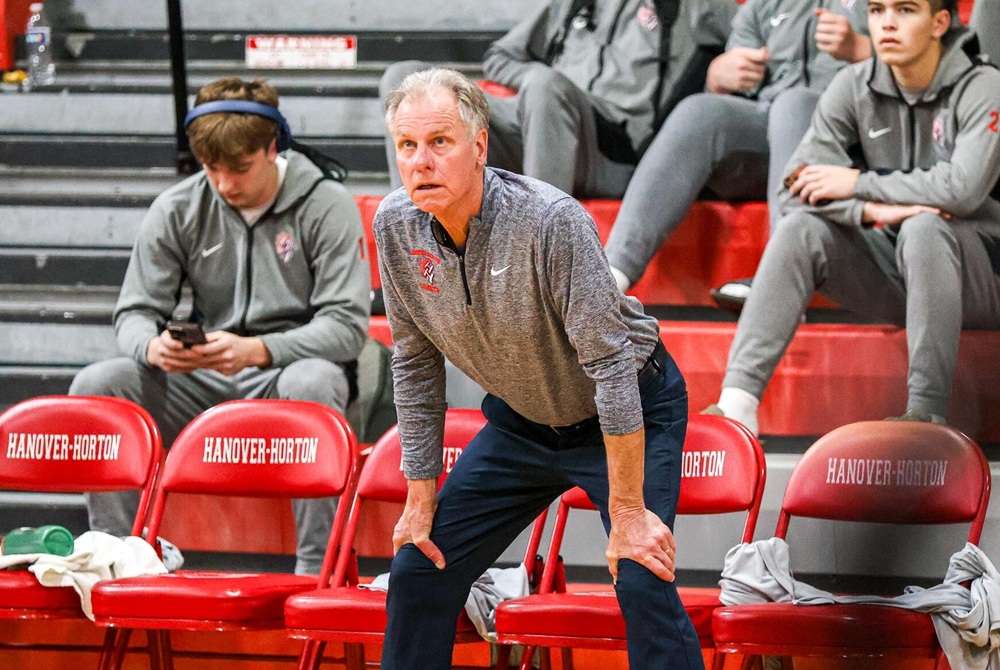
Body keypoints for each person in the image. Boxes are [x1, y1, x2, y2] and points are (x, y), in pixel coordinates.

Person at [374, 68, 702, 669]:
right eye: (407, 145)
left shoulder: (551, 220)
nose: (421, 161)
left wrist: (629, 513)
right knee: (420, 566)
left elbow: (611, 366)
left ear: (478, 148)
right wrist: (419, 498)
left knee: (640, 573)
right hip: (524, 424)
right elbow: (416, 366)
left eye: (440, 142)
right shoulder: (396, 226)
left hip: (627, 406)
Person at [69, 77, 371, 575]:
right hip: (207, 375)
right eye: (212, 169)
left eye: (240, 167)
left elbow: (345, 328)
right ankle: (120, 556)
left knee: (312, 382)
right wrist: (153, 347)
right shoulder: (179, 208)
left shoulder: (325, 203)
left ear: (273, 147)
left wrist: (258, 351)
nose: (226, 183)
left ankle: (317, 570)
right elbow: (133, 313)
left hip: (289, 372)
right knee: (98, 385)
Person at [703, 0, 1000, 437]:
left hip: (983, 276)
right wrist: (873, 209)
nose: (887, 24)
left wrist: (858, 183)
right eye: (877, 11)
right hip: (904, 269)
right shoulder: (854, 84)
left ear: (940, 22)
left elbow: (961, 189)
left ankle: (926, 414)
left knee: (924, 228)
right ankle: (736, 407)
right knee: (802, 229)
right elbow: (794, 186)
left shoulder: (983, 85)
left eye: (905, 10)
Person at [604, 0, 871, 297]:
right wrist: (719, 79)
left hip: (851, 142)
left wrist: (861, 51)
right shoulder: (763, 6)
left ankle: (782, 276)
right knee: (700, 109)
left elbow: (922, 66)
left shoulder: (877, 7)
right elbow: (735, 80)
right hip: (770, 139)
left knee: (794, 104)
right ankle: (612, 275)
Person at [378, 0, 736, 199]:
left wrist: (719, 68)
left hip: (610, 153)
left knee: (547, 84)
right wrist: (532, 85)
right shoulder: (573, 3)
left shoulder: (695, 6)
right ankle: (412, 244)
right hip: (538, 125)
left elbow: (761, 35)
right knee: (406, 81)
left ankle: (537, 252)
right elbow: (501, 56)